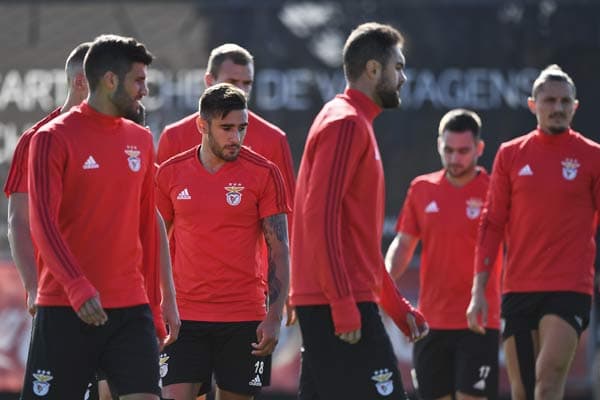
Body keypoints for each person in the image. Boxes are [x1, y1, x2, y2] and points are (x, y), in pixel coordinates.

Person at [21, 34, 178, 400]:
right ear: (110, 80)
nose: (144, 89)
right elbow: (41, 221)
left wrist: (154, 310)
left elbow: (146, 228)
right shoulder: (51, 138)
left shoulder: (140, 140)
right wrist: (77, 286)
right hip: (64, 308)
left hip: (130, 311)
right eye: (138, 80)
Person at [289, 22, 428, 400]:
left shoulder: (353, 121)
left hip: (337, 299)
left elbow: (356, 240)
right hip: (338, 304)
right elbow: (319, 219)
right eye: (397, 68)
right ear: (372, 69)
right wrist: (342, 304)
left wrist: (396, 306)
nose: (402, 77)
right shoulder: (346, 123)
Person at [467, 65, 600, 400]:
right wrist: (479, 289)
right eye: (549, 100)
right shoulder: (511, 154)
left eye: (564, 101)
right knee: (524, 390)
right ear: (532, 105)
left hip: (569, 286)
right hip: (519, 288)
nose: (557, 107)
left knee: (548, 378)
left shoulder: (592, 156)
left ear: (575, 106)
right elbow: (492, 222)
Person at [156, 83, 290, 400]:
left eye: (242, 128)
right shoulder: (171, 174)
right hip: (184, 318)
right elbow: (155, 244)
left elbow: (280, 251)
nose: (236, 137)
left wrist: (274, 316)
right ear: (202, 125)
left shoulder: (265, 173)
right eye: (226, 128)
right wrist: (158, 302)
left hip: (244, 318)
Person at [385, 109, 501, 400]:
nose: (454, 158)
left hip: (479, 322)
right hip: (431, 324)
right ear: (439, 145)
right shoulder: (422, 189)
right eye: (448, 150)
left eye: (463, 151)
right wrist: (382, 283)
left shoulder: (496, 191)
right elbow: (402, 245)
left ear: (479, 148)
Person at [5, 42, 91, 317]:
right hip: (58, 295)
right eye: (106, 81)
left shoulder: (123, 138)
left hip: (117, 293)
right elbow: (19, 219)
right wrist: (32, 286)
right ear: (80, 82)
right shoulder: (36, 139)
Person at [156, 43, 295, 205]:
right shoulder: (174, 136)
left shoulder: (273, 139)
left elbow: (287, 209)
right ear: (209, 80)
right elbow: (158, 210)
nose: (241, 90)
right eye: (232, 81)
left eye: (247, 83)